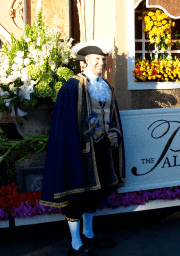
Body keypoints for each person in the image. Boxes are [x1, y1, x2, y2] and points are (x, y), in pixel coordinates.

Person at [40, 41, 125, 256]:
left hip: (103, 149)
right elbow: (66, 123)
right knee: (77, 196)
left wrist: (114, 131)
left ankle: (89, 235)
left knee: (95, 195)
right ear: (86, 61)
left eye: (103, 60)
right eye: (96, 59)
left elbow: (113, 116)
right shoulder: (72, 86)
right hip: (79, 152)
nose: (101, 63)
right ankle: (75, 244)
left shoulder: (106, 86)